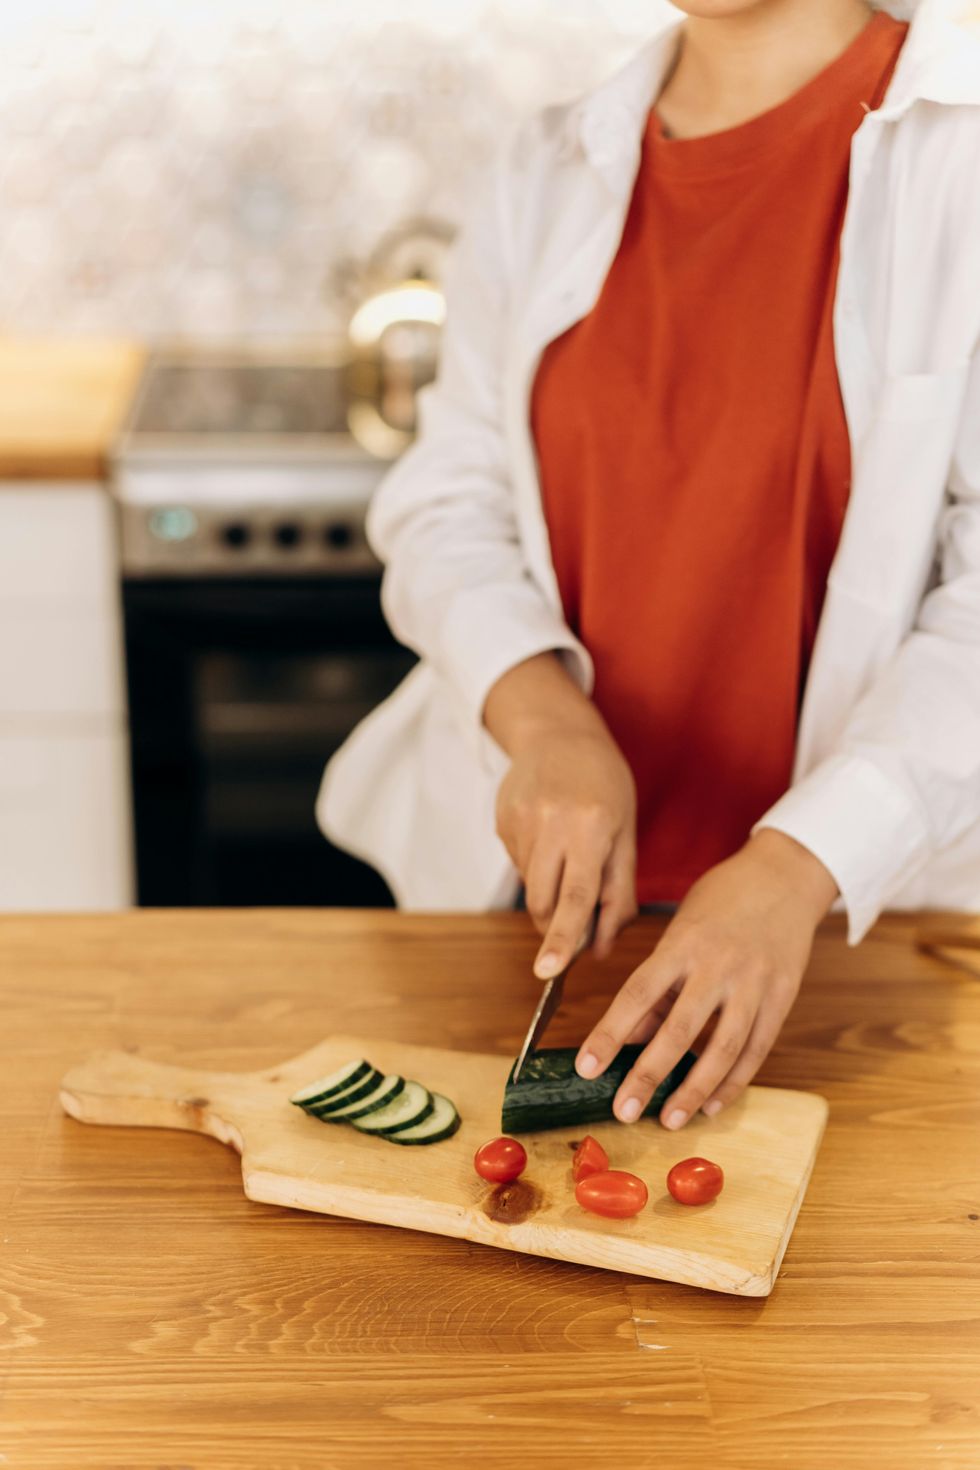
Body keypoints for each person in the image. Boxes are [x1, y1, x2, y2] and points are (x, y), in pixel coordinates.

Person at [319, 0, 980, 1131]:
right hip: (534, 926)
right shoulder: (548, 162)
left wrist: (791, 866)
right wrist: (541, 721)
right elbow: (446, 496)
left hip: (861, 937)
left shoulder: (957, 160)